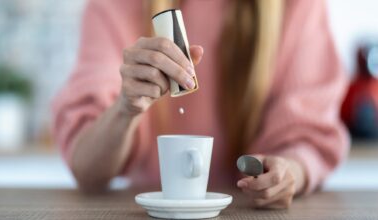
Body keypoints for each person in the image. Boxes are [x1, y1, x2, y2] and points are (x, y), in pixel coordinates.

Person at [52, 0, 349, 209]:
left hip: (251, 211)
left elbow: (307, 136)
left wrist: (289, 174)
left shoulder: (296, 6)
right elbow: (87, 168)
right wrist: (124, 108)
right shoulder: (114, 7)